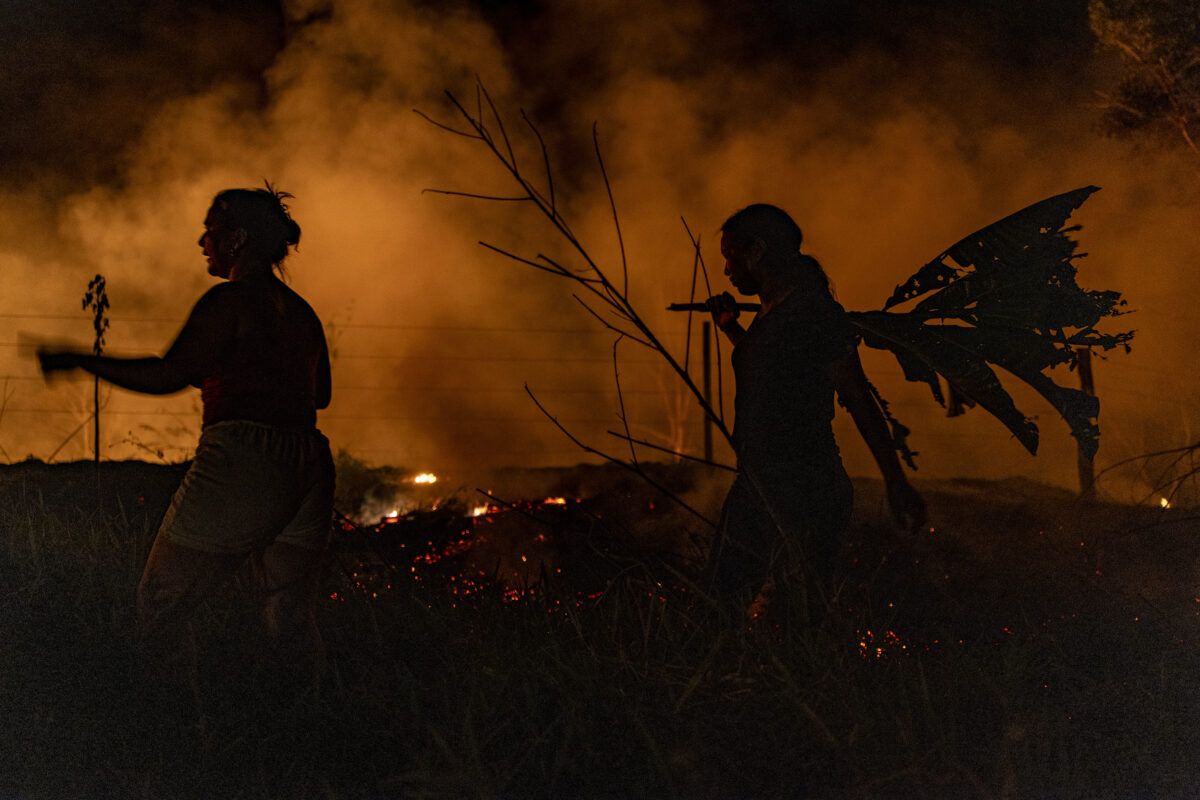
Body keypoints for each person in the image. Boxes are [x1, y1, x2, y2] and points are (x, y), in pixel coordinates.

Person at [38, 184, 334, 683]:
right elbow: (318, 394)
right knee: (286, 614)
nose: (202, 242)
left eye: (210, 231)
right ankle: (306, 725)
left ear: (237, 238)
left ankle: (171, 731)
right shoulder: (302, 312)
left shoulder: (230, 301)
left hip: (245, 459)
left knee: (161, 603)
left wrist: (77, 360)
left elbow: (167, 375)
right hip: (310, 465)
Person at [706, 203, 925, 621]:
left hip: (803, 487)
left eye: (730, 257)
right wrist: (732, 326)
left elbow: (858, 398)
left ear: (757, 251)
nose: (727, 271)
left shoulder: (812, 313)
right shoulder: (777, 311)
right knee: (724, 601)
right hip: (760, 483)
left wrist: (895, 479)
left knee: (792, 612)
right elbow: (775, 367)